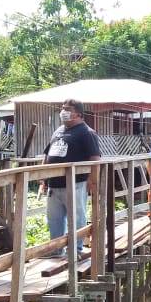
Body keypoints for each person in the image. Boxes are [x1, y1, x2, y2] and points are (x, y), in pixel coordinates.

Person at [43, 99, 101, 257]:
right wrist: (44, 179)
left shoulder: (86, 132)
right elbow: (48, 154)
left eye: (67, 109)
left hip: (76, 183)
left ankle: (75, 249)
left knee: (76, 218)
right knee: (54, 219)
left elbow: (95, 158)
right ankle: (55, 250)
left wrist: (92, 180)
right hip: (54, 184)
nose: (63, 111)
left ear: (78, 113)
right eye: (62, 108)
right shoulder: (58, 131)